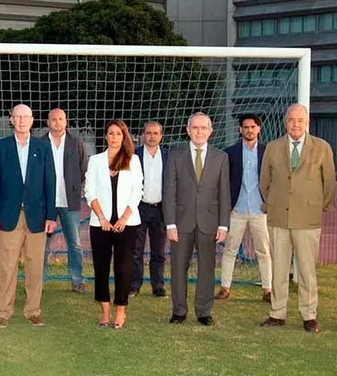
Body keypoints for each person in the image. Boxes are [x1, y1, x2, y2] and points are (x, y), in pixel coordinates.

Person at [260, 103, 335, 333]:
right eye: (291, 119)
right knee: (279, 269)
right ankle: (277, 313)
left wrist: (315, 206)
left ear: (307, 122)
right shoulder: (272, 148)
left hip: (307, 220)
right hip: (279, 218)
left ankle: (309, 315)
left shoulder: (322, 148)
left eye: (300, 120)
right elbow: (265, 181)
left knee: (307, 270)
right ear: (285, 121)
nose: (295, 124)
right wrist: (273, 202)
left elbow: (329, 183)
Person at [0, 104, 57, 329]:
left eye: (25, 117)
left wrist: (51, 215)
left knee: (35, 266)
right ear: (11, 120)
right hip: (9, 216)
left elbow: (50, 182)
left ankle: (33, 311)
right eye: (17, 117)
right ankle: (2, 312)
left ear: (32, 120)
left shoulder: (43, 147)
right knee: (7, 266)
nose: (21, 120)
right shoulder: (0, 147)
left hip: (37, 216)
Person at [164, 112, 229, 326]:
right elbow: (169, 191)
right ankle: (179, 310)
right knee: (178, 268)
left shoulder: (221, 157)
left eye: (203, 128)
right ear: (188, 130)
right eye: (195, 128)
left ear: (210, 131)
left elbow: (224, 193)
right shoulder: (175, 155)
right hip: (181, 223)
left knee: (207, 268)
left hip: (209, 222)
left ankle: (203, 311)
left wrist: (223, 224)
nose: (199, 132)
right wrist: (170, 223)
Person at [83, 120, 143, 329]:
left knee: (123, 269)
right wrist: (102, 219)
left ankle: (120, 311)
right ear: (106, 136)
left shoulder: (133, 160)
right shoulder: (95, 161)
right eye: (111, 133)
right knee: (101, 268)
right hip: (101, 225)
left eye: (118, 133)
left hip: (127, 224)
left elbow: (137, 191)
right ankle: (105, 311)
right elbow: (89, 191)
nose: (114, 137)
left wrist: (124, 218)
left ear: (124, 136)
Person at [216, 113, 272, 302]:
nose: (249, 130)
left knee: (263, 251)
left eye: (252, 126)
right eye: (245, 127)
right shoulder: (229, 153)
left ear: (259, 129)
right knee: (230, 249)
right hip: (237, 209)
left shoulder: (267, 152)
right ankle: (225, 287)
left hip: (259, 209)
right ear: (240, 130)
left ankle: (267, 289)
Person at [41, 108, 88, 293]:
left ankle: (77, 280)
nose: (57, 122)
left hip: (70, 202)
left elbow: (83, 169)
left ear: (66, 121)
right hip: (46, 203)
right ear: (48, 122)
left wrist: (74, 186)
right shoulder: (40, 143)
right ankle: (39, 280)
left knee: (75, 243)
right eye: (54, 119)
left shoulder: (76, 143)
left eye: (61, 119)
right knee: (42, 245)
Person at [130, 120, 168, 298]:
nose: (152, 136)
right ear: (143, 135)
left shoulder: (168, 156)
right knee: (135, 250)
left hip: (160, 209)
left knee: (158, 250)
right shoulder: (134, 155)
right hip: (139, 208)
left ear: (161, 136)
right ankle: (134, 285)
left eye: (155, 133)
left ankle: (158, 285)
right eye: (148, 133)